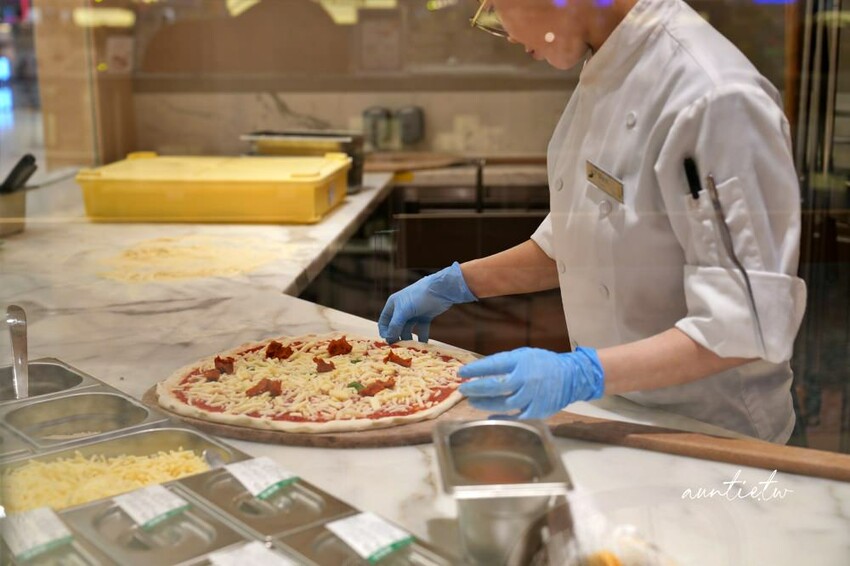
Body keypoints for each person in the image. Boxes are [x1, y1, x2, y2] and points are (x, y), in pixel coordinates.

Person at [378, 0, 806, 443]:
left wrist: (582, 373)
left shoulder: (714, 96)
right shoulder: (608, 65)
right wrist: (455, 283)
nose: (504, 31)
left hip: (713, 433)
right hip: (621, 410)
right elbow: (577, 242)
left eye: (495, 5)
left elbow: (747, 324)